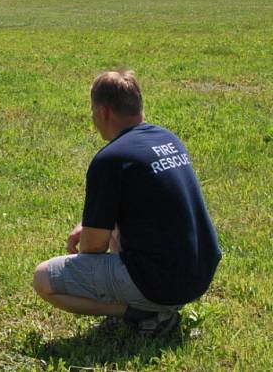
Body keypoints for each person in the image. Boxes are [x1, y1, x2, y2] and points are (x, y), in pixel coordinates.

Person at [32, 70, 221, 336]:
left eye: (93, 110)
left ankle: (141, 313)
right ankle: (151, 303)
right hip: (199, 275)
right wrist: (91, 224)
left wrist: (89, 247)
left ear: (104, 112)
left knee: (43, 278)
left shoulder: (111, 159)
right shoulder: (168, 139)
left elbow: (92, 247)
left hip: (163, 285)